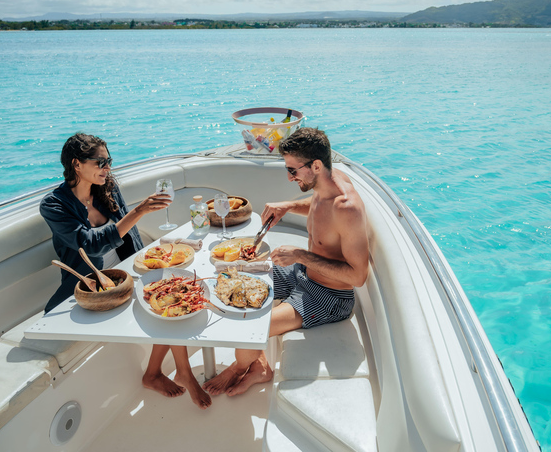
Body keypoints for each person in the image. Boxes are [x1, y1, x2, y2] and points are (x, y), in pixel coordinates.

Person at [40, 132, 211, 409]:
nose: (108, 168)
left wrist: (151, 267)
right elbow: (91, 246)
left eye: (109, 160)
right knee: (164, 304)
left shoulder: (106, 187)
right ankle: (174, 374)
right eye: (101, 162)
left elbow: (130, 242)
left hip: (127, 273)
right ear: (76, 164)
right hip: (92, 289)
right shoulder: (54, 205)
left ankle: (170, 373)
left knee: (173, 294)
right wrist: (139, 211)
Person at [203, 127, 370, 397]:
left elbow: (358, 276)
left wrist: (301, 255)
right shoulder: (328, 180)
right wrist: (290, 206)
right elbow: (319, 207)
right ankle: (256, 362)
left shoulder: (347, 207)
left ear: (316, 165)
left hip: (329, 296)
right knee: (232, 281)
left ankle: (244, 368)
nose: (290, 177)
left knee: (250, 326)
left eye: (293, 170)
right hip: (301, 273)